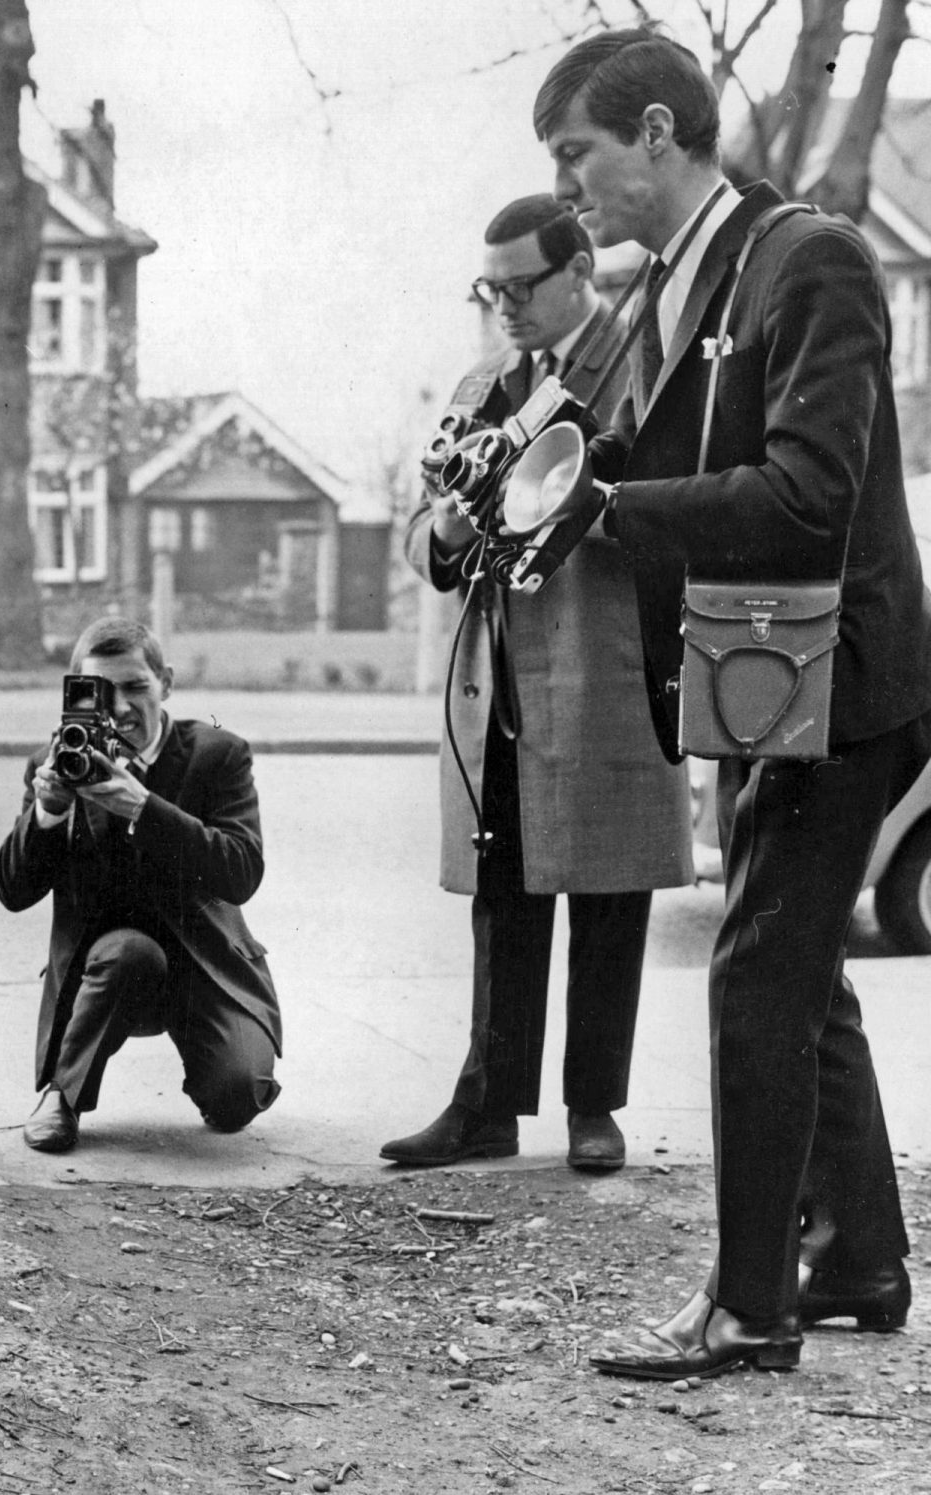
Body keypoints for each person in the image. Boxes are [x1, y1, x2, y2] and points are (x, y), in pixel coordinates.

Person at [535, 26, 931, 1379]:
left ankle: (750, 1306)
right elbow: (660, 449)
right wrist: (545, 481)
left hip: (840, 680)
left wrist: (615, 509)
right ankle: (862, 1257)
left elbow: (812, 491)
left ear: (657, 130)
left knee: (760, 973)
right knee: (797, 967)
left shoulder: (807, 255)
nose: (571, 186)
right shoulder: (697, 274)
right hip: (773, 675)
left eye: (579, 153)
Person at [382, 195, 693, 1174]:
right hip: (500, 669)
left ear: (578, 272)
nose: (505, 306)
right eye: (491, 289)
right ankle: (488, 1102)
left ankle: (592, 1106)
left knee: (610, 884)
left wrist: (582, 501)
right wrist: (454, 523)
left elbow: (674, 504)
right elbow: (423, 542)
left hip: (604, 655)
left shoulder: (643, 365)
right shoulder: (482, 382)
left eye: (522, 287)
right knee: (501, 883)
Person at [0, 617, 280, 1153]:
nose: (120, 707)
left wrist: (143, 808)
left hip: (207, 967)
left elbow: (241, 872)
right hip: (112, 972)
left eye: (136, 687)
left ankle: (217, 1069)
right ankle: (62, 1096)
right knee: (129, 952)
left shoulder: (217, 755)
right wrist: (49, 814)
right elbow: (12, 891)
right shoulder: (59, 763)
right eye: (101, 692)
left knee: (237, 1099)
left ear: (166, 684)